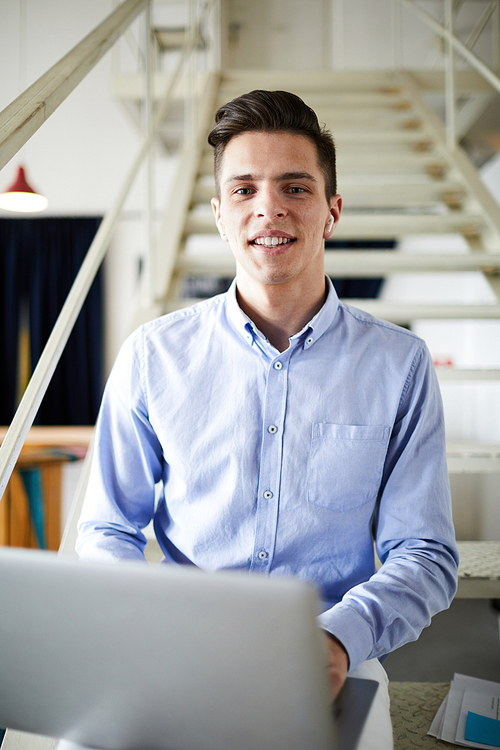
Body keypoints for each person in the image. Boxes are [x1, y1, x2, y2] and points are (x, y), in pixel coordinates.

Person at [76, 89, 458, 746]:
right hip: (178, 647)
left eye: (296, 188)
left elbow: (424, 552)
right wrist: (144, 629)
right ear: (222, 216)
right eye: (245, 190)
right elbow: (108, 527)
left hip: (334, 651)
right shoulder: (151, 355)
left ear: (332, 211)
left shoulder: (401, 364)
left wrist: (340, 639)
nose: (269, 208)